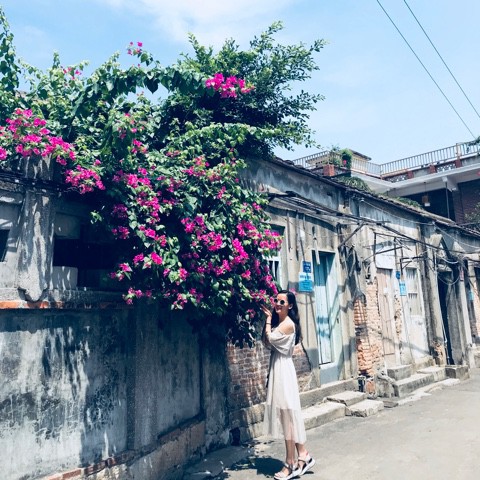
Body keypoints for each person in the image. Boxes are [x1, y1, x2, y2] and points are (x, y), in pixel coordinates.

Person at [261, 290, 315, 479]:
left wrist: (268, 319)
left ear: (290, 306)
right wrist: (271, 322)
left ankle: (290, 463)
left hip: (284, 371)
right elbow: (268, 342)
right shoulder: (281, 323)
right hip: (279, 368)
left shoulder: (287, 324)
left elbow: (270, 338)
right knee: (287, 417)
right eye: (276, 300)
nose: (277, 304)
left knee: (288, 418)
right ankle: (303, 455)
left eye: (282, 302)